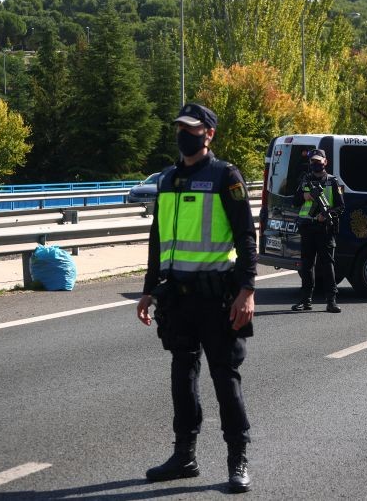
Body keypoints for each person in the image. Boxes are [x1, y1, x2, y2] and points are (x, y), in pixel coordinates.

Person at [136, 103, 257, 493]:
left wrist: (247, 290)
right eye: (179, 128)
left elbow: (246, 236)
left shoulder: (225, 177)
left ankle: (237, 459)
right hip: (177, 299)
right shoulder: (168, 179)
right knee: (182, 376)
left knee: (225, 378)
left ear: (209, 134)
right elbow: (158, 240)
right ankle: (184, 456)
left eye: (191, 128)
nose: (182, 134)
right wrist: (147, 289)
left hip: (217, 296)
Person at [291, 148, 345, 313]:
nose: (316, 165)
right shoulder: (305, 181)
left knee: (328, 265)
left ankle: (331, 301)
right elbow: (295, 201)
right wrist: (304, 197)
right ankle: (305, 300)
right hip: (307, 227)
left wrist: (326, 215)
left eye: (318, 162)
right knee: (307, 265)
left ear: (325, 162)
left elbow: (341, 206)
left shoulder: (333, 182)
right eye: (313, 162)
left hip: (325, 228)